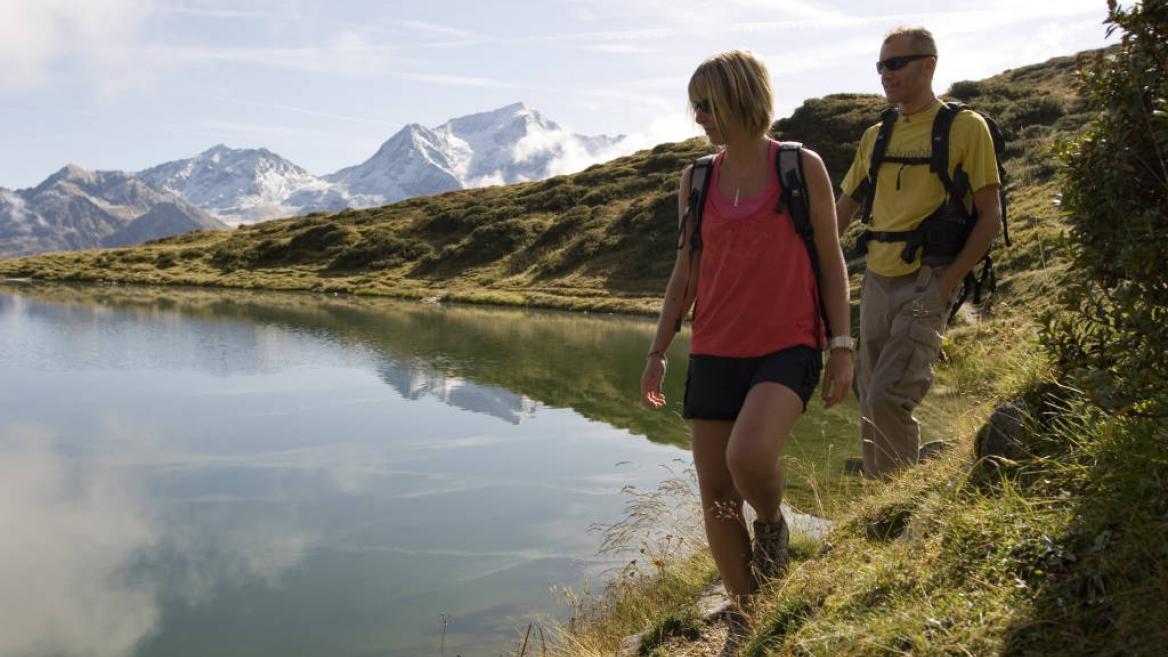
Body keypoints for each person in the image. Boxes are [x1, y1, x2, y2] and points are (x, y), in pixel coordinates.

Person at [639, 50, 854, 653]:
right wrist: (659, 349)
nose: (699, 118)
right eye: (695, 106)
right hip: (714, 349)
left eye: (707, 106)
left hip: (788, 344)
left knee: (750, 456)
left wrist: (841, 345)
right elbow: (686, 271)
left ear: (739, 99)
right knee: (714, 492)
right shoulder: (697, 178)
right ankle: (750, 616)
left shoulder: (798, 166)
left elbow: (832, 262)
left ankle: (773, 525)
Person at [835, 26, 1002, 479]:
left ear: (928, 64)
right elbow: (844, 209)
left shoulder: (966, 128)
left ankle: (893, 508)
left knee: (889, 395)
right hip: (876, 282)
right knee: (869, 397)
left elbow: (990, 217)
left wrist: (946, 286)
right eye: (881, 66)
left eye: (896, 64)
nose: (886, 75)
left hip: (928, 281)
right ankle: (879, 502)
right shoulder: (876, 135)